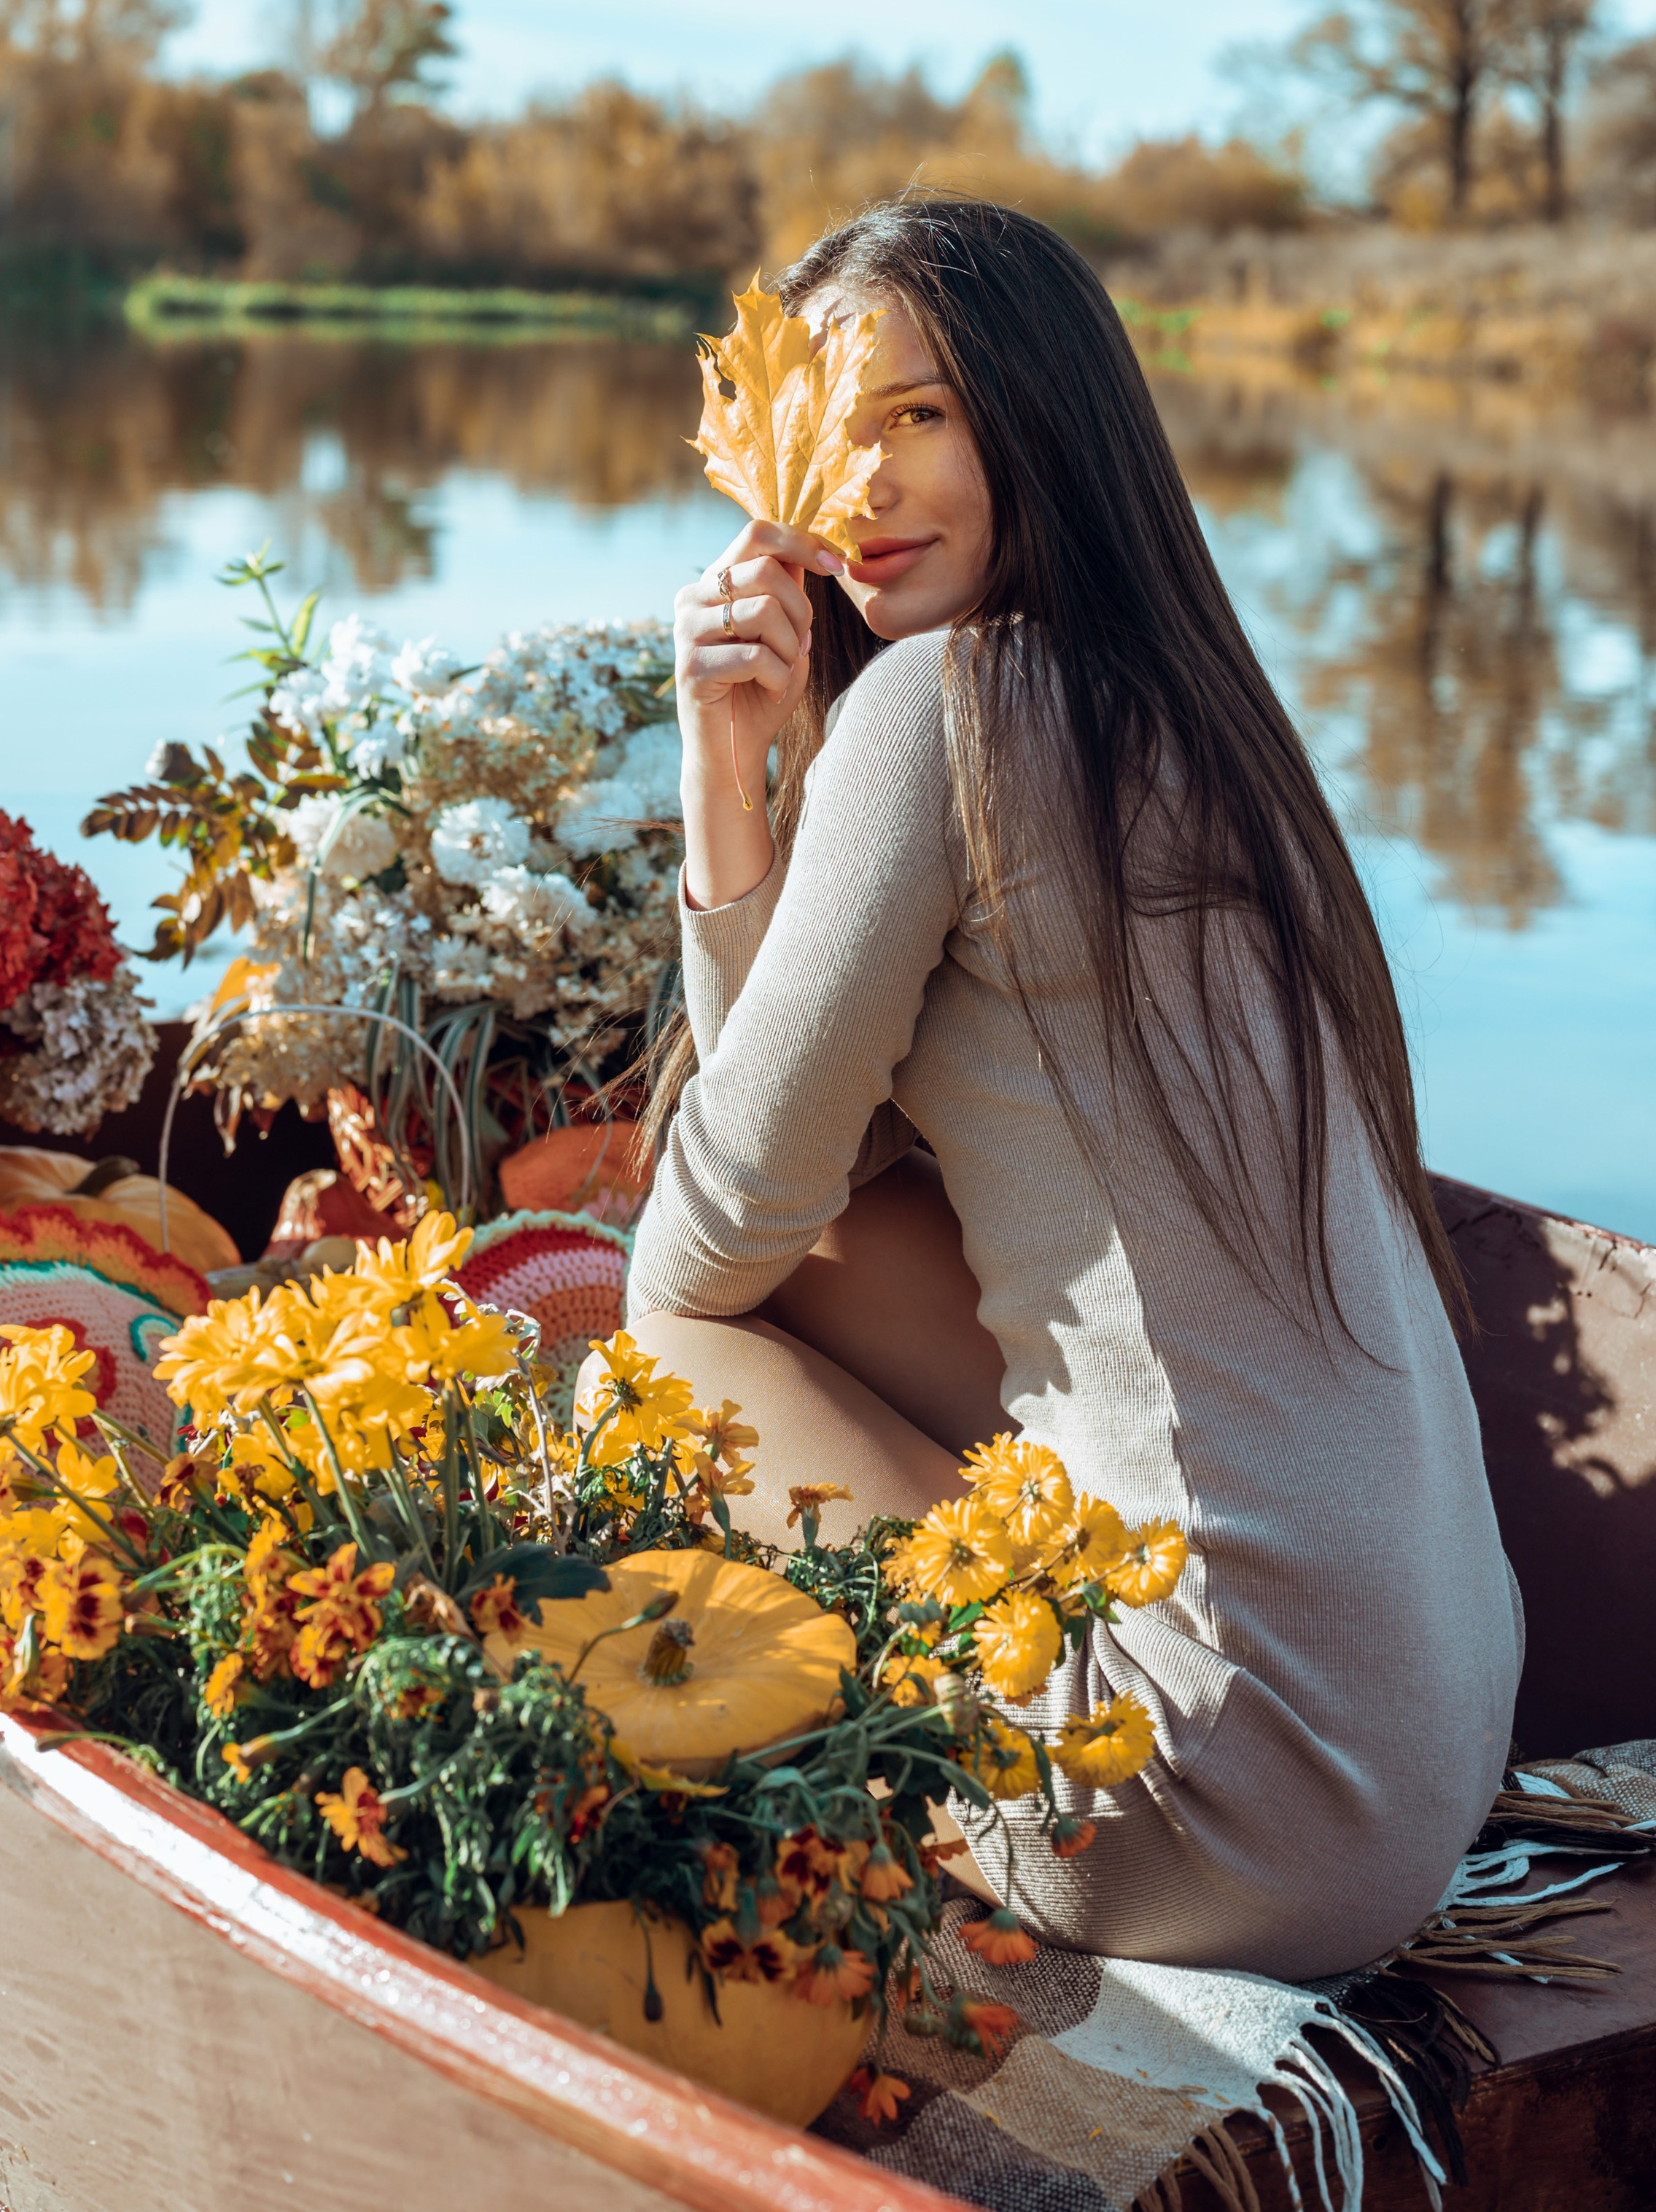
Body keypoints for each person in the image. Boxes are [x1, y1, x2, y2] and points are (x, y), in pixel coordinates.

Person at [620, 195, 1522, 1983]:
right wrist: (744, 771)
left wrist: (720, 783)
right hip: (1419, 1755)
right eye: (828, 425)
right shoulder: (1201, 721)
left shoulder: (938, 709)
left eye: (918, 413)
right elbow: (801, 1181)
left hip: (1204, 1803)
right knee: (830, 1252)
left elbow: (705, 1242)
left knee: (651, 1360)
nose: (862, 481)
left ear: (1042, 415)